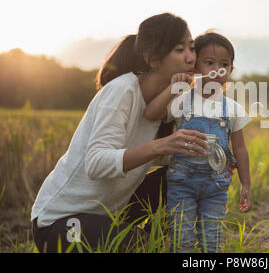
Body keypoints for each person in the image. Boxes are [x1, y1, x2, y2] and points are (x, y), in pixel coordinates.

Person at [30, 13, 210, 253]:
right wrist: (164, 145)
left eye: (191, 48)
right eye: (179, 50)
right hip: (59, 224)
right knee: (135, 243)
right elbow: (97, 163)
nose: (191, 58)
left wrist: (208, 155)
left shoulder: (169, 100)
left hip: (109, 215)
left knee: (184, 177)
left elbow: (154, 154)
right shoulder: (122, 90)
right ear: (153, 59)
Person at [144, 32, 252, 253]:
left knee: (211, 239)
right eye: (209, 63)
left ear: (231, 71)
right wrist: (171, 87)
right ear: (194, 67)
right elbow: (151, 113)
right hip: (182, 182)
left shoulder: (232, 108)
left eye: (225, 64)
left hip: (216, 185)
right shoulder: (183, 99)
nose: (217, 70)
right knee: (181, 238)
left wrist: (246, 184)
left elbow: (240, 148)